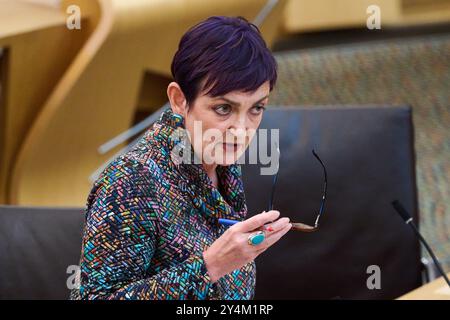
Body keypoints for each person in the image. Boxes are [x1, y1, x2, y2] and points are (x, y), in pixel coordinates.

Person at [71, 16, 291, 300]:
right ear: (178, 99)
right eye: (224, 108)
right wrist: (211, 266)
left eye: (256, 108)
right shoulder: (132, 182)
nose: (241, 131)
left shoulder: (221, 164)